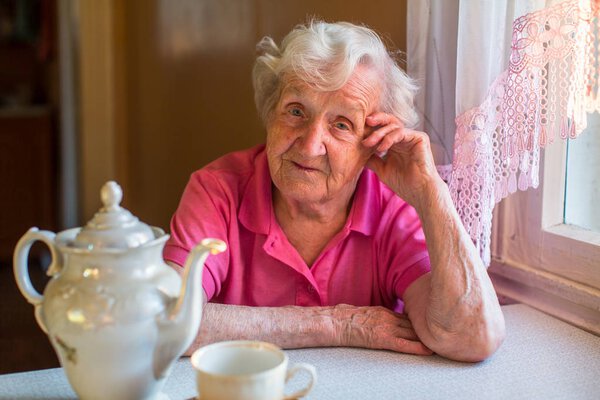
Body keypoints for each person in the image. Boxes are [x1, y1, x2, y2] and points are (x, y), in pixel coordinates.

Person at [164, 20, 505, 362]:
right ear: (271, 112)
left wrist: (432, 193)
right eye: (296, 111)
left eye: (341, 125)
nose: (311, 146)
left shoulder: (396, 207)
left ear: (373, 142)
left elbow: (471, 336)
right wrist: (337, 324)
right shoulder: (217, 191)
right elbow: (163, 322)